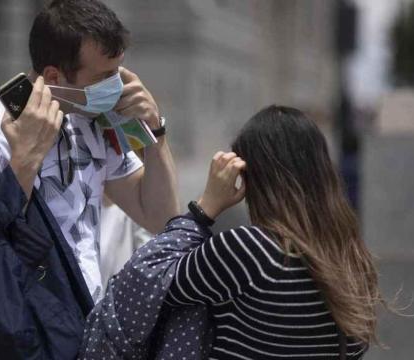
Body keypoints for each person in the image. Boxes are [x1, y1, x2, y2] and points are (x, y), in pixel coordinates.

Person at [0, 0, 179, 358]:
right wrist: (25, 161)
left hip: (89, 339)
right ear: (53, 77)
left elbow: (160, 217)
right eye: (102, 78)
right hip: (14, 342)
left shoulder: (95, 121)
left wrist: (154, 133)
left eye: (118, 72)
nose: (116, 86)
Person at [82, 106, 381, 359]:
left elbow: (142, 284)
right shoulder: (354, 262)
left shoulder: (250, 250)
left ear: (251, 177)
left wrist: (204, 208)